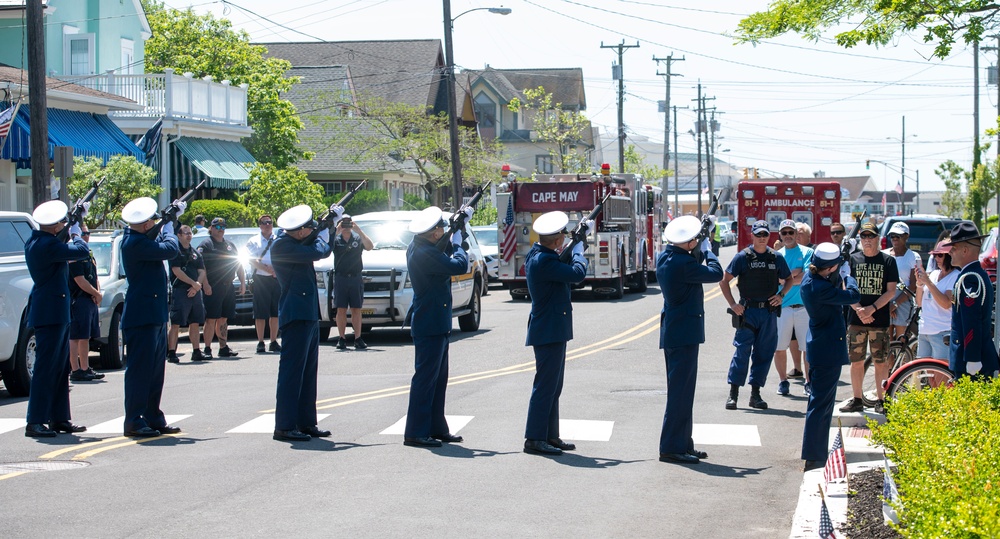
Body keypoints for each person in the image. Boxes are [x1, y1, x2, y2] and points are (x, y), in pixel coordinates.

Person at [402, 206, 472, 448]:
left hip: (435, 320)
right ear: (432, 233)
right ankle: (416, 432)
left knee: (438, 380)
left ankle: (435, 427)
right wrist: (457, 242)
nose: (442, 231)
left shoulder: (421, 246)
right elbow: (458, 266)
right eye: (440, 228)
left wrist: (456, 225)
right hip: (430, 322)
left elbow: (440, 250)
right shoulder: (424, 253)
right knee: (425, 379)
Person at [656, 215, 723, 464]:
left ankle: (683, 443)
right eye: (694, 239)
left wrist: (701, 239)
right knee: (680, 393)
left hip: (677, 330)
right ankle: (672, 446)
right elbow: (716, 273)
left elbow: (687, 257)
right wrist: (709, 249)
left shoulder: (668, 256)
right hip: (683, 333)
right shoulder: (683, 264)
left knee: (683, 391)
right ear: (688, 244)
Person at [522, 211, 589, 456]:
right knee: (545, 386)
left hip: (550, 327)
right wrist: (579, 252)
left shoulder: (541, 254)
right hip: (549, 329)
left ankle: (550, 435)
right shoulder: (545, 261)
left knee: (553, 386)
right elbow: (577, 275)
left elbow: (560, 261)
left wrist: (574, 242)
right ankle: (534, 438)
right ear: (558, 240)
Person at [23, 200, 91, 438]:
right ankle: (35, 420)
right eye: (61, 222)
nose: (64, 224)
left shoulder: (39, 239)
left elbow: (58, 241)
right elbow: (82, 252)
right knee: (45, 368)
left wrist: (73, 220)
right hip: (50, 312)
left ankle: (59, 417)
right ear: (53, 227)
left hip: (55, 310)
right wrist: (76, 231)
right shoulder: (46, 245)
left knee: (60, 368)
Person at [269, 204, 336, 442]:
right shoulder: (282, 245)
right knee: (292, 373)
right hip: (295, 314)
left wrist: (326, 226)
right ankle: (285, 425)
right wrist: (329, 230)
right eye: (309, 228)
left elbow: (319, 247)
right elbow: (321, 251)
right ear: (298, 232)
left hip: (307, 313)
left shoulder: (297, 242)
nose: (311, 231)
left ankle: (306, 422)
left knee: (308, 372)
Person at [120, 196, 183, 437]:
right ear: (147, 225)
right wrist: (169, 227)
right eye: (154, 221)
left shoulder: (141, 238)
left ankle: (153, 416)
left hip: (154, 314)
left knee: (156, 371)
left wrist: (169, 221)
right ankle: (134, 420)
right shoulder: (134, 243)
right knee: (140, 371)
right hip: (142, 316)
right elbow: (170, 249)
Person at [800, 243, 861, 471]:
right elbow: (853, 295)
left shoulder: (812, 278)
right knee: (820, 404)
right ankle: (815, 456)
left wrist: (838, 265)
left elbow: (828, 279)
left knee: (820, 403)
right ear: (831, 268)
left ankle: (815, 452)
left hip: (820, 347)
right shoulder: (820, 288)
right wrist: (848, 274)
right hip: (826, 351)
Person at [719, 220, 791, 411]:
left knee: (764, 354)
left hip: (767, 312)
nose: (761, 238)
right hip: (748, 312)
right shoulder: (743, 257)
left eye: (765, 235)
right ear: (752, 235)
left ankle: (755, 395)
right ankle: (733, 394)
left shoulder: (776, 257)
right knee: (742, 352)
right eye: (758, 235)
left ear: (769, 236)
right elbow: (724, 281)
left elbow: (789, 279)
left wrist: (781, 295)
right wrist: (733, 304)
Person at [841, 222, 899, 415]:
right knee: (856, 361)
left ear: (877, 239)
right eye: (864, 237)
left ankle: (882, 400)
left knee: (880, 361)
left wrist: (871, 309)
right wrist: (859, 309)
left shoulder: (888, 261)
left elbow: (891, 291)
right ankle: (857, 399)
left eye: (870, 236)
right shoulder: (853, 259)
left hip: (879, 320)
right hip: (856, 319)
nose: (867, 240)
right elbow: (845, 288)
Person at [942, 222, 1000, 377]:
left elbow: (971, 320)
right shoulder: (973, 275)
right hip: (969, 356)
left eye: (954, 249)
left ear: (965, 250)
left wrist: (972, 358)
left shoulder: (970, 279)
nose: (950, 253)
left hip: (970, 359)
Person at [774, 219, 813, 396]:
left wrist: (786, 279)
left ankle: (809, 382)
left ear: (797, 234)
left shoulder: (808, 252)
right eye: (785, 233)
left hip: (804, 306)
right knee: (780, 347)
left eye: (791, 232)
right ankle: (783, 382)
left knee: (807, 348)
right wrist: (793, 274)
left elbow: (805, 277)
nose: (788, 236)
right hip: (782, 307)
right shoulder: (776, 255)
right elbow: (776, 279)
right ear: (780, 236)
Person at [198, 217, 246, 358]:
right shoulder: (206, 245)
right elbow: (201, 267)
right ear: (211, 228)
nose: (220, 230)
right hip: (213, 286)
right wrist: (205, 284)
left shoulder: (229, 245)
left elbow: (239, 265)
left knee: (224, 318)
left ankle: (223, 347)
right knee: (211, 318)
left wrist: (242, 282)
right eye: (217, 227)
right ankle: (207, 348)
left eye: (223, 227)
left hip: (228, 286)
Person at [68, 223, 105, 381]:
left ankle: (85, 367)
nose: (86, 236)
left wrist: (97, 293)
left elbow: (93, 276)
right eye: (82, 233)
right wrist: (96, 293)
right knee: (77, 336)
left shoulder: (88, 253)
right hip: (80, 299)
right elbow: (79, 280)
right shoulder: (75, 254)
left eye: (88, 233)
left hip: (89, 299)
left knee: (86, 336)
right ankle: (77, 369)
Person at [332, 214, 374, 351]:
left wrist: (359, 231)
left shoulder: (357, 238)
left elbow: (369, 246)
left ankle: (357, 337)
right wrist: (336, 231)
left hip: (355, 277)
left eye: (348, 223)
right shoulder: (336, 239)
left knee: (356, 308)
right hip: (341, 277)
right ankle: (342, 338)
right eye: (343, 223)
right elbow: (326, 249)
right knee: (341, 309)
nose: (346, 226)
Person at [167, 224, 207, 363]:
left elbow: (202, 271)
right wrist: (192, 284)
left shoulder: (195, 252)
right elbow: (176, 271)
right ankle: (172, 352)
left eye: (190, 233)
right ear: (179, 235)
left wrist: (197, 286)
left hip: (195, 291)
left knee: (195, 322)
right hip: (181, 291)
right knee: (176, 323)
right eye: (186, 233)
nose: (189, 235)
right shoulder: (175, 252)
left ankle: (196, 351)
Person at [914, 242, 957, 360]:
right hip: (924, 330)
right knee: (929, 377)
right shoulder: (934, 274)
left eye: (940, 255)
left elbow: (946, 303)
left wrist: (928, 283)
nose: (936, 258)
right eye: (935, 255)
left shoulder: (955, 276)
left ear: (949, 256)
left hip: (941, 331)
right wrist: (919, 284)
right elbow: (919, 303)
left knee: (940, 376)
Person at [246, 214, 281, 354]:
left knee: (275, 312)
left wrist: (276, 271)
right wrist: (268, 269)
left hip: (276, 279)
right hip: (261, 279)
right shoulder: (253, 241)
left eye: (270, 222)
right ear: (259, 225)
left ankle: (273, 341)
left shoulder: (278, 239)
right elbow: (252, 260)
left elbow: (284, 256)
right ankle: (260, 342)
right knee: (260, 313)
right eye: (264, 222)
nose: (268, 225)